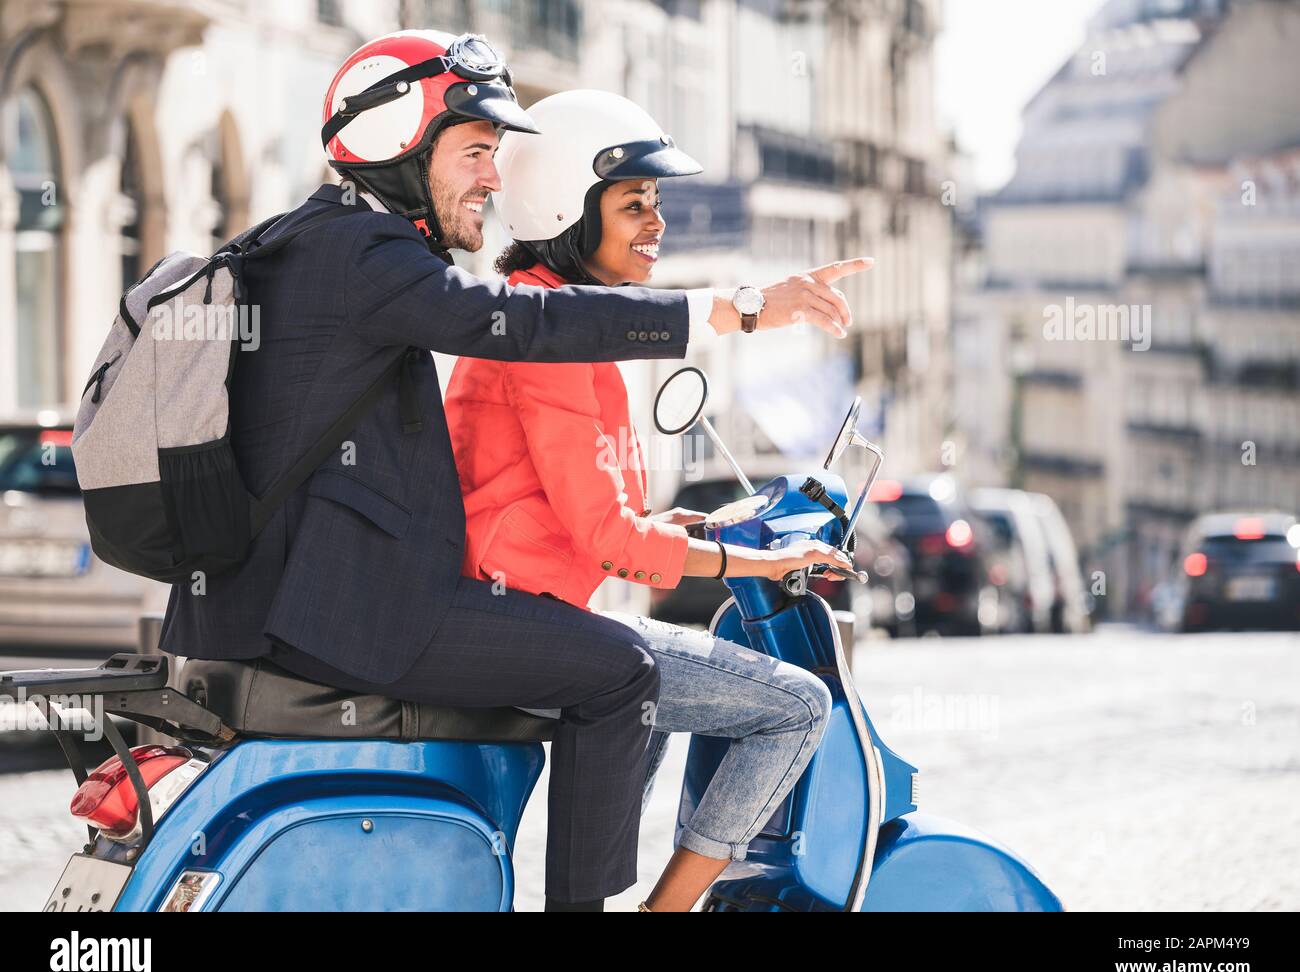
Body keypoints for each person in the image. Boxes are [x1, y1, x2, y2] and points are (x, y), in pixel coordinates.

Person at [158, 29, 869, 912]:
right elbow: (520, 320)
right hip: (354, 613)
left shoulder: (308, 240)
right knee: (621, 671)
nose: (494, 179)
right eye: (476, 152)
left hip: (300, 603)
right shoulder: (364, 256)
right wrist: (738, 309)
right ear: (399, 144)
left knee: (607, 660)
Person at [446, 90, 863, 911]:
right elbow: (612, 542)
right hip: (521, 626)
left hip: (528, 614)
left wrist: (698, 526)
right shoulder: (552, 336)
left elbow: (590, 517)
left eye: (659, 203)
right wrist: (761, 556)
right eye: (633, 203)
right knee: (797, 707)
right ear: (569, 206)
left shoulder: (560, 322)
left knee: (670, 693)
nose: (656, 221)